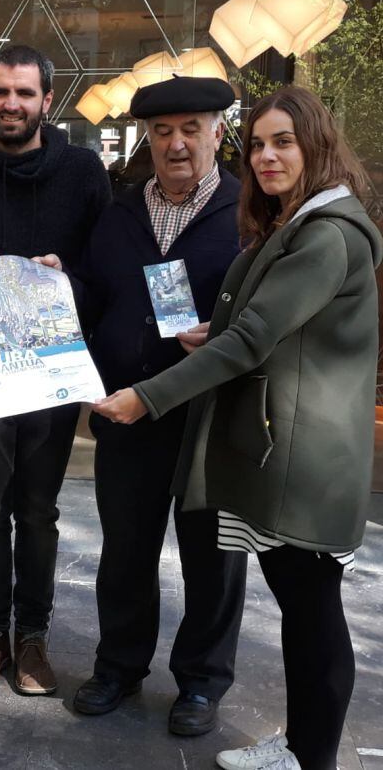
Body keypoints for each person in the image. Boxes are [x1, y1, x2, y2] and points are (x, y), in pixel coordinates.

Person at [94, 85, 380, 770]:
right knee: (301, 610)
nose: (268, 156)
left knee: (303, 610)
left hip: (287, 450)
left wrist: (144, 397)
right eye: (261, 144)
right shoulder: (288, 223)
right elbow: (262, 325)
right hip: (268, 442)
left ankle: (305, 752)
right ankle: (303, 745)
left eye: (283, 142)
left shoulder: (324, 234)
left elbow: (254, 339)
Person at [60, 76, 248, 735]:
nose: (176, 144)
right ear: (147, 137)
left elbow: (264, 318)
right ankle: (119, 666)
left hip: (210, 419)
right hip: (127, 413)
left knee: (213, 558)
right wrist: (56, 283)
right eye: (162, 131)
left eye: (191, 129)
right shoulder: (120, 212)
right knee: (127, 550)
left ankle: (200, 683)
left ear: (218, 134)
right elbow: (94, 289)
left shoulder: (247, 212)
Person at [0, 44, 110, 694]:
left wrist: (66, 286)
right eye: (2, 92)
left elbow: (100, 275)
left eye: (24, 94)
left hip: (50, 371)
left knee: (37, 510)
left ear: (46, 100)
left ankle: (32, 638)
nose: (12, 104)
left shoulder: (86, 173)